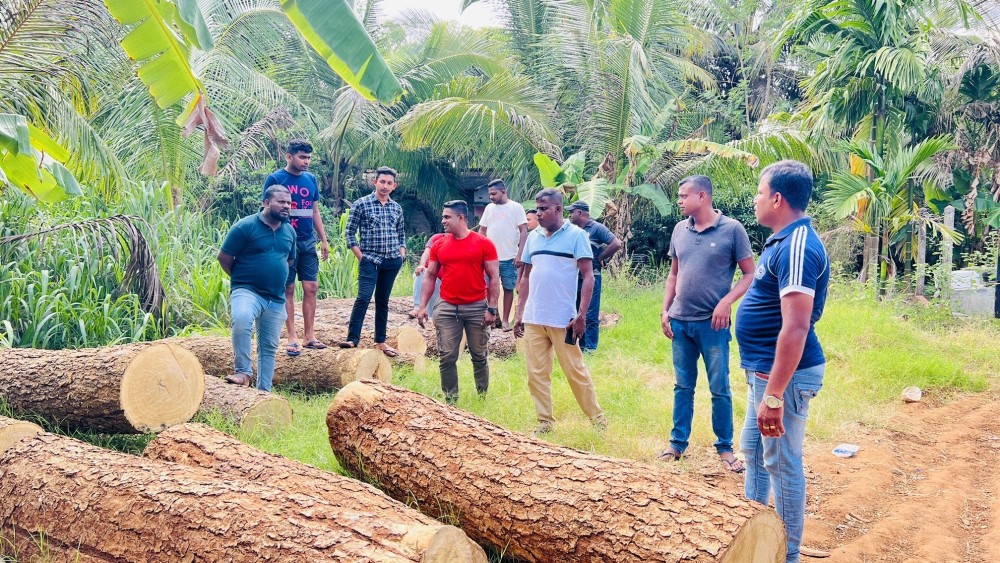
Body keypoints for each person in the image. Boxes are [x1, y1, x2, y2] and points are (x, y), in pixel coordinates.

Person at [735, 160, 830, 563]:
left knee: (781, 461)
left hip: (784, 379)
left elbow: (796, 328)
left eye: (759, 192)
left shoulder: (797, 246)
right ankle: (750, 538)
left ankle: (786, 555)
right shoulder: (782, 241)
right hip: (767, 371)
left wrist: (773, 395)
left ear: (777, 198)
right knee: (754, 451)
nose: (755, 200)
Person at [657, 175, 755, 473]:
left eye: (684, 195)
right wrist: (665, 310)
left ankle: (725, 448)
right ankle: (677, 444)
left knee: (719, 387)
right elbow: (674, 274)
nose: (679, 201)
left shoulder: (732, 230)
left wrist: (726, 302)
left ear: (703, 196)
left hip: (713, 326)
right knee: (682, 386)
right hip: (681, 323)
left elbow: (749, 274)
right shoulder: (679, 230)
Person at [514, 188, 607, 436]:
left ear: (557, 209)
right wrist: (519, 312)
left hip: (563, 320)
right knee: (536, 374)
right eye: (537, 208)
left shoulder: (576, 236)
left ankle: (597, 419)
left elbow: (588, 277)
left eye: (543, 208)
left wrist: (581, 316)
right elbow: (525, 276)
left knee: (575, 371)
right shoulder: (533, 237)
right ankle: (544, 422)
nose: (538, 213)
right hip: (534, 317)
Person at [417, 201, 501, 404]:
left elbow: (494, 277)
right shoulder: (439, 244)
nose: (443, 220)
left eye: (447, 217)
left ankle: (482, 397)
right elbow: (430, 276)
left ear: (461, 218)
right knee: (446, 356)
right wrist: (422, 307)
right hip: (447, 307)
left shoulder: (483, 243)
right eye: (443, 216)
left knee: (479, 355)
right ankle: (451, 400)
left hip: (476, 306)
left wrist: (492, 308)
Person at [217, 186, 296, 391]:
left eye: (288, 203)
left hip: (276, 298)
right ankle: (243, 372)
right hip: (247, 290)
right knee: (242, 319)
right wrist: (244, 277)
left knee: (268, 347)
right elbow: (224, 258)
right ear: (266, 203)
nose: (286, 206)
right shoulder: (245, 226)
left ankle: (264, 393)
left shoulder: (289, 231)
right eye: (281, 202)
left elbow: (288, 260)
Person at [262, 139, 330, 356]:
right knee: (288, 288)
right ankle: (291, 337)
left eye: (309, 158)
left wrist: (324, 239)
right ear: (289, 156)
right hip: (284, 241)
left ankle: (309, 336)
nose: (306, 162)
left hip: (307, 241)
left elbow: (315, 211)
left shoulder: (311, 179)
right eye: (302, 157)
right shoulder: (275, 178)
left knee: (311, 287)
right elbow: (265, 210)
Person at [340, 166, 406, 356]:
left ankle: (380, 341)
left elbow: (401, 233)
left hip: (392, 260)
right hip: (370, 260)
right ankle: (352, 339)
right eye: (382, 182)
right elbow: (350, 233)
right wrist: (361, 257)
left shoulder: (396, 208)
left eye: (389, 183)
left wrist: (402, 252)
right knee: (363, 298)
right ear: (374, 182)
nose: (385, 186)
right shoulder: (362, 204)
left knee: (383, 301)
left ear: (394, 186)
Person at [567, 201, 622, 352]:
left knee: (590, 314)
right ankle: (576, 345)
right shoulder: (571, 230)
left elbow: (616, 243)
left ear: (581, 213)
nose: (569, 215)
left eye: (572, 212)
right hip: (573, 278)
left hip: (591, 277)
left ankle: (589, 348)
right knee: (574, 312)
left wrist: (600, 257)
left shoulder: (597, 228)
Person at [478, 179, 527, 331]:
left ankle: (505, 321)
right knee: (487, 288)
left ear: (503, 192)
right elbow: (482, 231)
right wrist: (480, 252)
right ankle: (491, 319)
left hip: (509, 257)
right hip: (490, 259)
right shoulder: (489, 208)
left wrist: (520, 254)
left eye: (494, 194)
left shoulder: (516, 207)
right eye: (490, 194)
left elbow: (524, 231)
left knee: (508, 288)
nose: (491, 197)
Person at [409, 233, 444, 318]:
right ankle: (417, 307)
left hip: (443, 283)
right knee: (421, 272)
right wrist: (422, 265)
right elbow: (427, 252)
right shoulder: (437, 237)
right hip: (430, 277)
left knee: (431, 314)